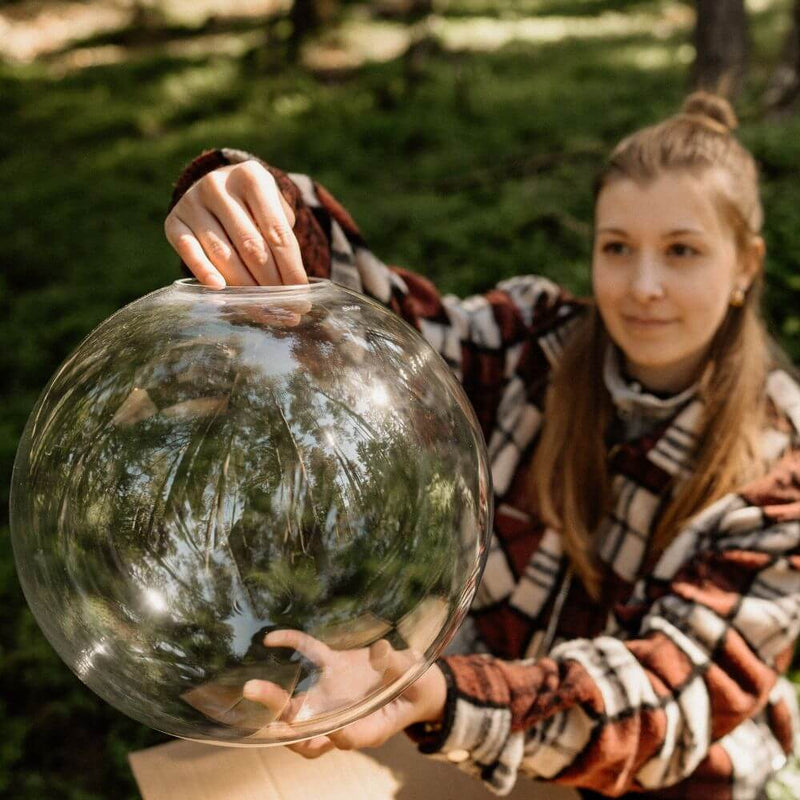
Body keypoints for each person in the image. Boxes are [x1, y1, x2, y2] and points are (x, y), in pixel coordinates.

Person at [163, 92, 800, 800]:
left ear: (746, 266)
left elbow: (666, 698)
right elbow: (384, 325)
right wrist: (269, 213)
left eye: (682, 251)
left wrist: (451, 697)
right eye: (617, 247)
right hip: (474, 757)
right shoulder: (533, 344)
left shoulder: (782, 469)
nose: (643, 287)